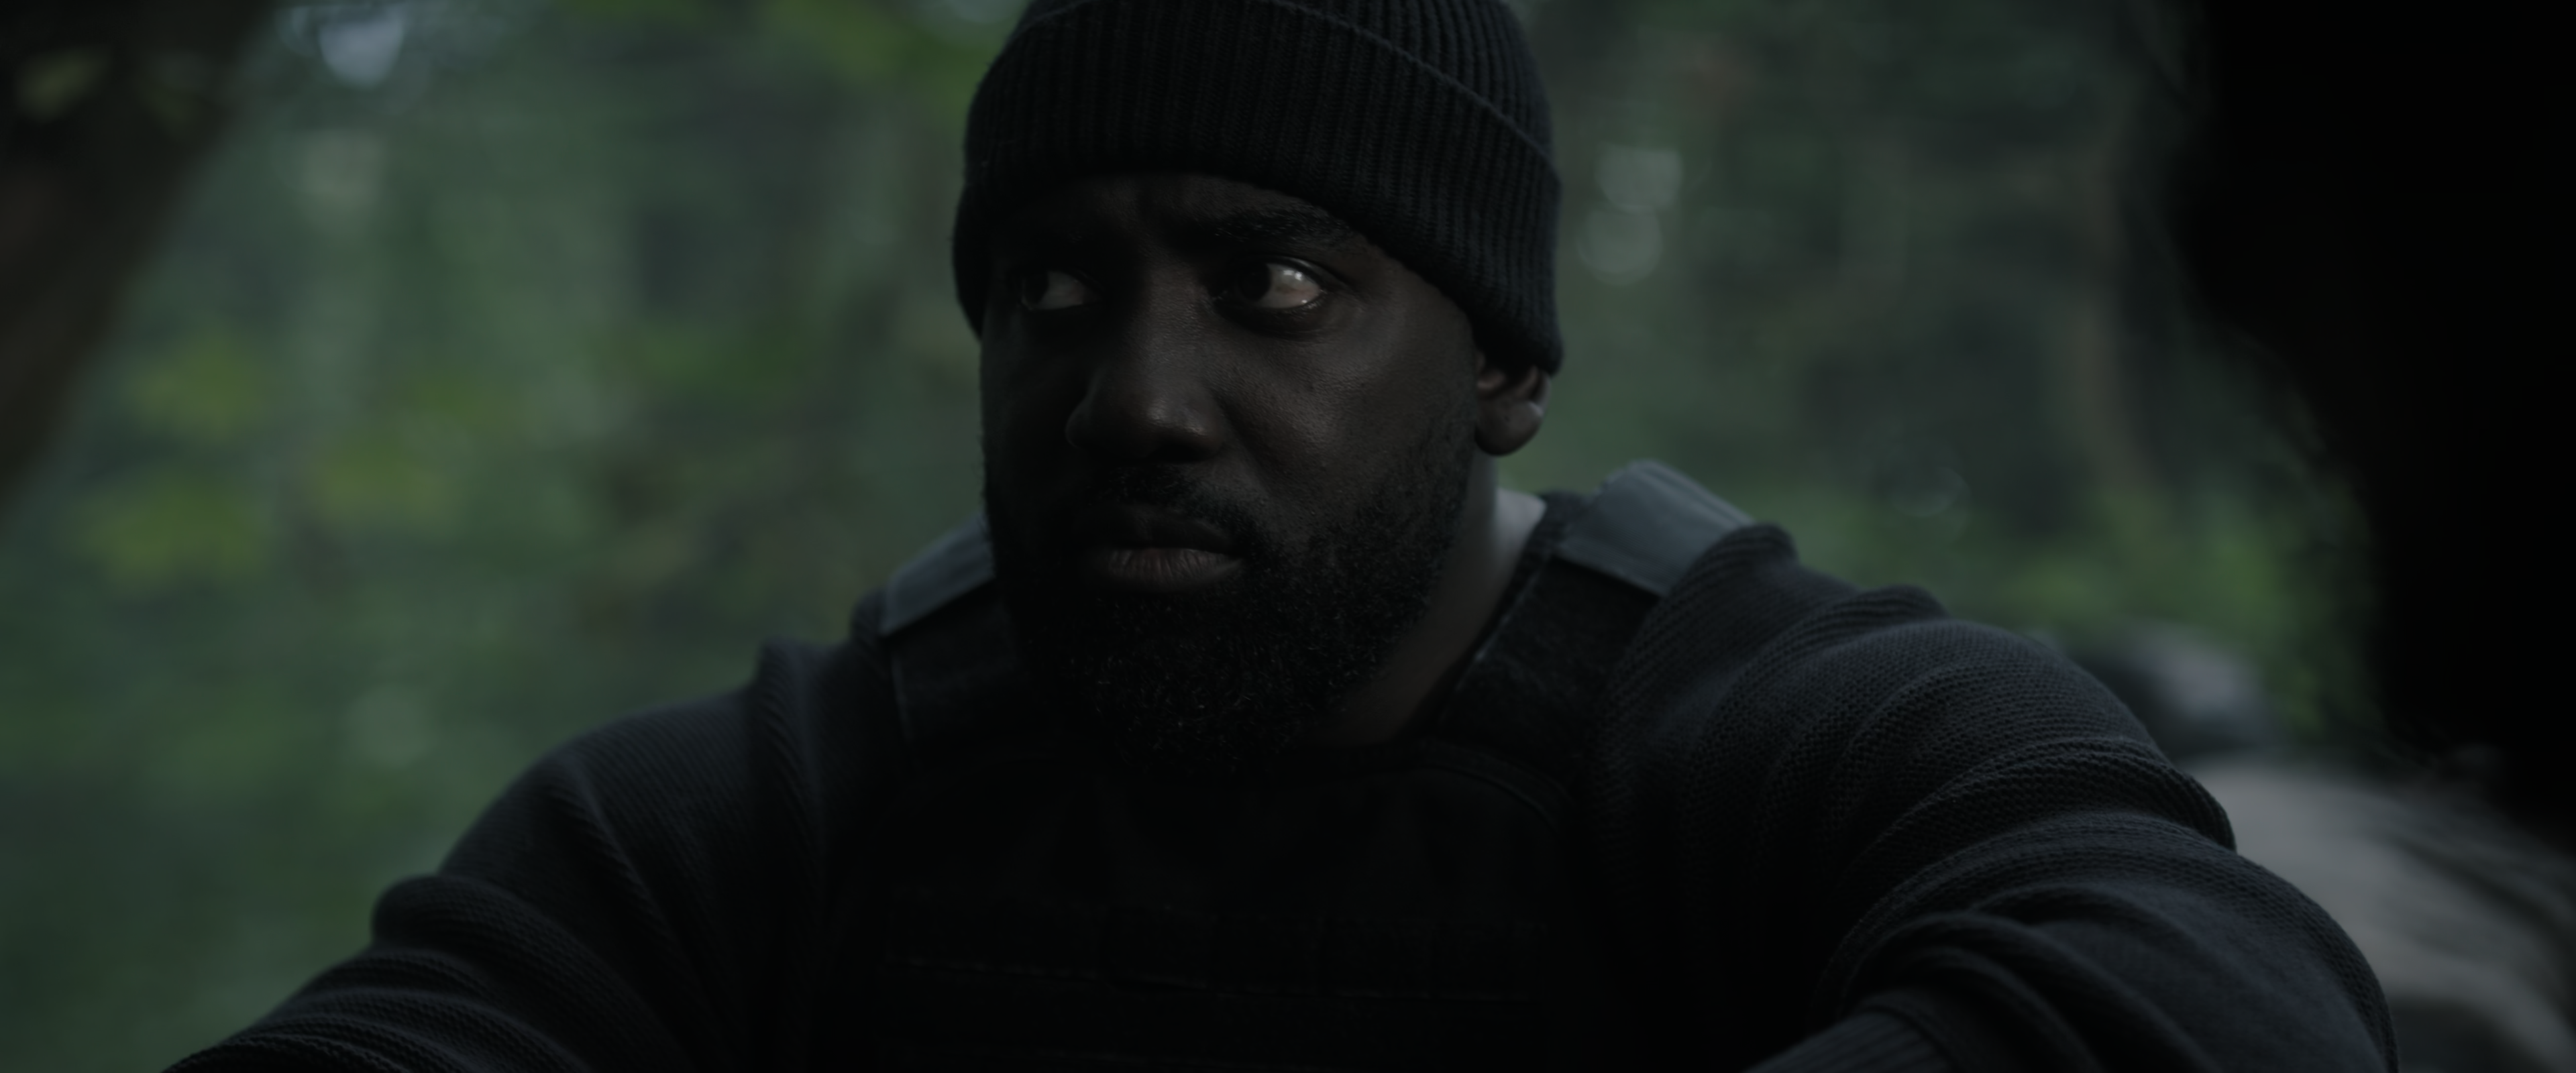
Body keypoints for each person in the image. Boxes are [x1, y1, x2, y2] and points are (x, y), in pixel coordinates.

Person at [172, 1, 2392, 1069]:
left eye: (1277, 285)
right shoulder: (797, 803)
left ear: (1505, 368)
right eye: (1054, 290)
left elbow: (2214, 999)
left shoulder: (1776, 726)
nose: (1136, 396)